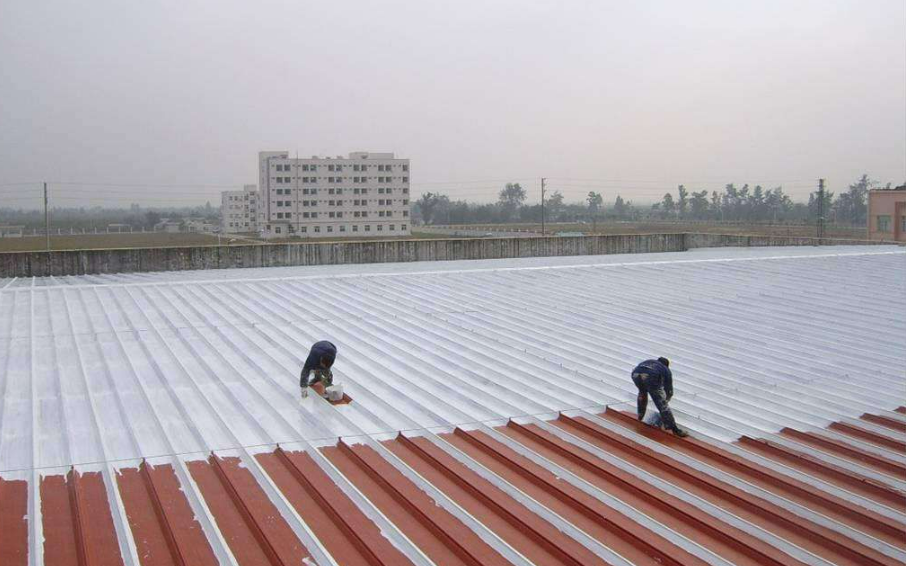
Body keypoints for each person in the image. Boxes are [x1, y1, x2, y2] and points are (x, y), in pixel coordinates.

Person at [631, 357, 689, 437]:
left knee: (642, 393)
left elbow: (639, 368)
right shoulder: (665, 369)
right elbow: (669, 389)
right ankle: (675, 430)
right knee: (662, 405)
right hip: (651, 376)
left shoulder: (650, 361)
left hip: (635, 374)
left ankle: (640, 417)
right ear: (667, 365)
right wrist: (666, 400)